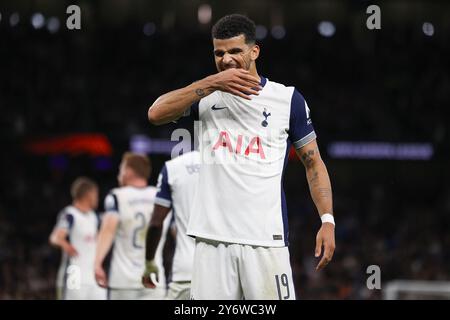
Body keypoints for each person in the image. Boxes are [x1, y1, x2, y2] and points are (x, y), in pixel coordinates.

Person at [147, 14, 335, 300]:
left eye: (235, 51)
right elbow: (156, 113)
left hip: (265, 241)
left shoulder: (287, 100)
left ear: (254, 51)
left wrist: (327, 220)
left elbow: (313, 163)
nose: (226, 59)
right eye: (219, 53)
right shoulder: (205, 97)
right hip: (211, 242)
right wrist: (211, 83)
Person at [94, 152, 168, 299]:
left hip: (123, 280)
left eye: (120, 169)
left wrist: (97, 262)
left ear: (128, 171)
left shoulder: (116, 196)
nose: (119, 174)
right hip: (155, 278)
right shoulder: (161, 197)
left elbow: (108, 230)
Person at [142, 150, 200, 300]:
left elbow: (156, 223)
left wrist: (149, 262)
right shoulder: (234, 165)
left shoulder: (174, 167)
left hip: (186, 270)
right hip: (225, 272)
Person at [49, 177, 106, 300]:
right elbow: (55, 237)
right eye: (96, 194)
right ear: (88, 194)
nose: (97, 198)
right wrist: (64, 244)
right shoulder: (70, 214)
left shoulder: (94, 217)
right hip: (74, 275)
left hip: (93, 276)